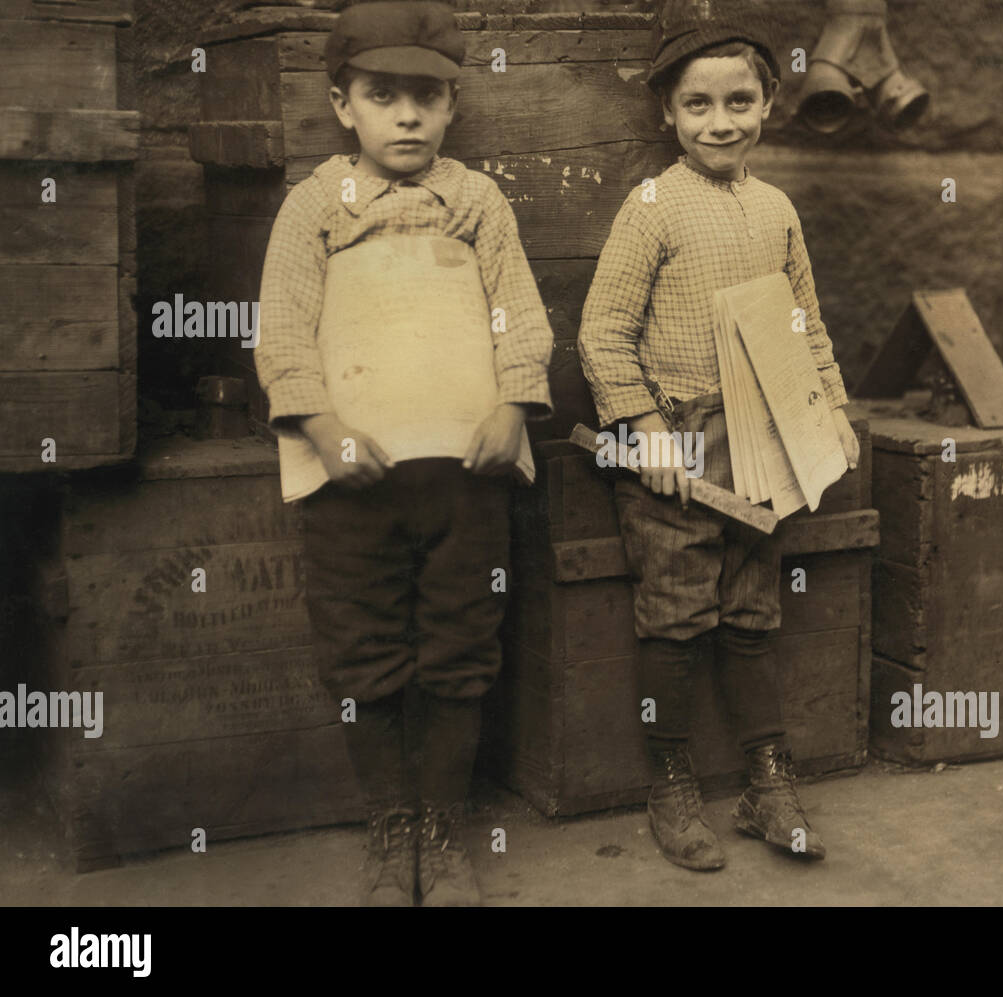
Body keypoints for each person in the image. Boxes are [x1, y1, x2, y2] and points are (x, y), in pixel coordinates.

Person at [254, 0, 553, 905]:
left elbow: (520, 317)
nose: (409, 116)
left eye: (428, 96)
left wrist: (513, 406)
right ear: (344, 104)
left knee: (462, 647)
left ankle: (442, 828)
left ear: (454, 105)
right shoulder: (316, 206)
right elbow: (284, 336)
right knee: (364, 650)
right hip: (354, 479)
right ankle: (390, 827)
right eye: (384, 96)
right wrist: (321, 428)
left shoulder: (478, 202)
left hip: (468, 475)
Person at [577, 0, 860, 871]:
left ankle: (767, 783)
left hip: (763, 437)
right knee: (676, 615)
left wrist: (834, 413)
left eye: (740, 101)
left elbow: (806, 322)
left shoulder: (777, 209)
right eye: (697, 105)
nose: (720, 122)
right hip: (680, 445)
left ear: (769, 102)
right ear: (666, 112)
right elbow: (601, 332)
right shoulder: (653, 207)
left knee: (751, 609)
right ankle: (672, 784)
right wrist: (649, 431)